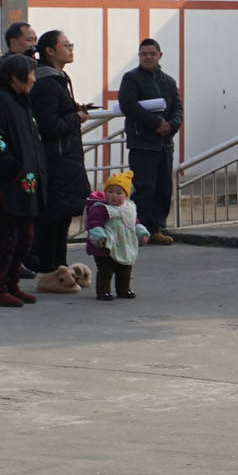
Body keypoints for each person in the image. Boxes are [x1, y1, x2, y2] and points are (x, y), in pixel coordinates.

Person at [0, 53, 45, 308]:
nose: (34, 80)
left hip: (25, 185)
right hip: (5, 185)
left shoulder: (21, 100)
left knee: (23, 238)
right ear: (15, 76)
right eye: (30, 74)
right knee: (3, 239)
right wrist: (13, 166)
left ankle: (11, 283)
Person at [29, 30, 93, 275]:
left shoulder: (58, 78)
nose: (71, 49)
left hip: (66, 158)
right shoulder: (46, 83)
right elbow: (49, 126)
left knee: (62, 217)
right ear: (50, 50)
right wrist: (75, 118)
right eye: (66, 45)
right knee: (54, 217)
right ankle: (52, 267)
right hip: (56, 160)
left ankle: (59, 266)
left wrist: (74, 111)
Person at [119, 39, 181, 243]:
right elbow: (128, 106)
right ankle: (138, 229)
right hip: (142, 143)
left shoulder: (169, 81)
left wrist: (171, 125)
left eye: (151, 53)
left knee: (164, 189)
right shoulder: (131, 78)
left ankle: (155, 229)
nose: (147, 57)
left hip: (165, 144)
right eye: (143, 54)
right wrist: (155, 122)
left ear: (159, 55)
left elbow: (178, 109)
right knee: (145, 188)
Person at [84, 171, 147, 300]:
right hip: (106, 246)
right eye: (110, 191)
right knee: (106, 270)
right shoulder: (100, 208)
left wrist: (142, 234)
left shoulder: (129, 208)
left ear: (126, 196)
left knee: (125, 270)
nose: (113, 195)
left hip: (124, 245)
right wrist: (99, 237)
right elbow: (94, 224)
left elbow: (134, 222)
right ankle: (103, 291)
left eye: (119, 193)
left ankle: (123, 289)